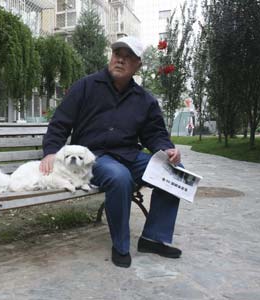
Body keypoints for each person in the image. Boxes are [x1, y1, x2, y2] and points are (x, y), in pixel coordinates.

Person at [39, 36, 183, 268]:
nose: (120, 60)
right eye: (117, 54)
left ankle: (152, 239)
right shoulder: (85, 86)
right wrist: (50, 152)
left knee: (174, 172)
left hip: (129, 154)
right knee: (119, 177)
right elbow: (60, 123)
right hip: (94, 157)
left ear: (138, 65)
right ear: (111, 56)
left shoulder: (144, 100)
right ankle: (121, 246)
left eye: (128, 57)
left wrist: (165, 149)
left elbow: (154, 133)